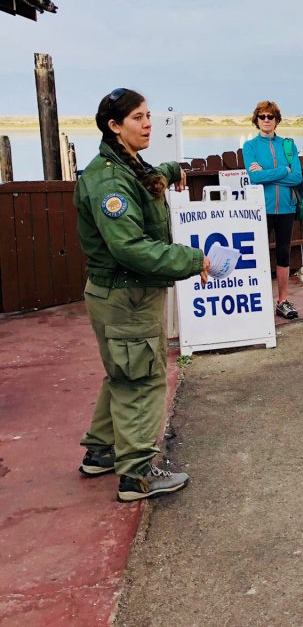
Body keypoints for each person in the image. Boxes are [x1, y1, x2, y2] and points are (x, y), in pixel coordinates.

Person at [75, 88, 210, 502]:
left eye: (148, 115)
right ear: (115, 126)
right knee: (142, 378)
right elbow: (129, 247)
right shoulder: (109, 179)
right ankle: (137, 475)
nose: (147, 123)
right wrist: (192, 260)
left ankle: (101, 451)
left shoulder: (126, 165)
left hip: (122, 295)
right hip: (126, 295)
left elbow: (146, 182)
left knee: (123, 370)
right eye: (136, 117)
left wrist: (168, 170)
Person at [242, 100, 303, 320]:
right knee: (258, 254)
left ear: (277, 120)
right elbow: (254, 177)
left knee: (284, 254)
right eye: (262, 117)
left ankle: (282, 301)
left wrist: (269, 173)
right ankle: (258, 300)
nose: (266, 120)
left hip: (286, 208)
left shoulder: (288, 145)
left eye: (270, 117)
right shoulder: (250, 147)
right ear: (256, 120)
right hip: (262, 208)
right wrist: (282, 170)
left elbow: (297, 176)